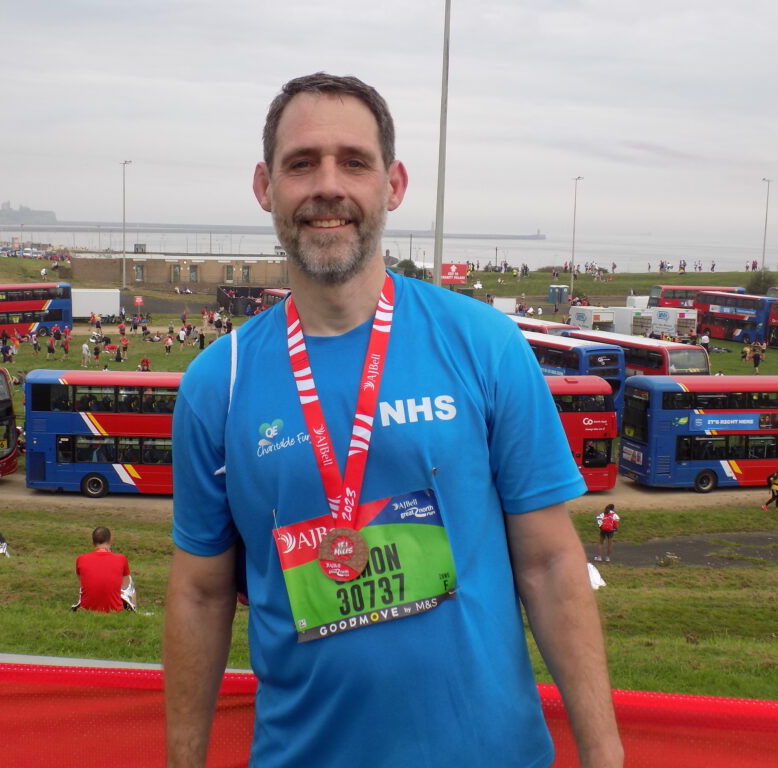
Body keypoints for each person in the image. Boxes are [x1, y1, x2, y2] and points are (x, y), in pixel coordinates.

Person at [164, 74, 622, 768]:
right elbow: (199, 594)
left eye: (354, 161)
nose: (328, 187)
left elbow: (552, 562)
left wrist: (605, 756)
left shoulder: (485, 346)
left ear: (393, 184)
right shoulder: (215, 385)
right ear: (265, 186)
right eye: (301, 163)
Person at [74, 526, 135, 613]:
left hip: (87, 609)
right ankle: (133, 609)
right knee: (130, 581)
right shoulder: (121, 559)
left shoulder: (81, 559)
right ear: (111, 541)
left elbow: (81, 581)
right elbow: (125, 585)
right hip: (114, 609)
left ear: (93, 543)